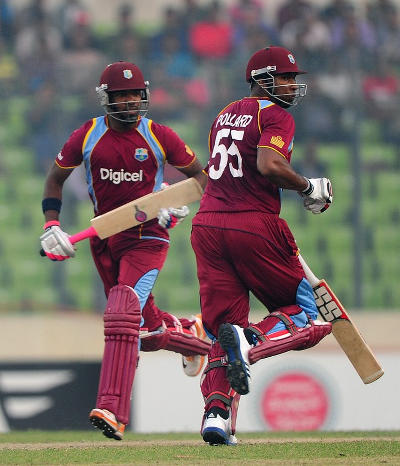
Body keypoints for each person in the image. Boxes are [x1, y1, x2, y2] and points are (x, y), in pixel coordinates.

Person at [39, 61, 210, 440]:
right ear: (107, 99)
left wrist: (177, 204)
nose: (131, 101)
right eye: (122, 95)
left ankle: (112, 409)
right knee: (146, 333)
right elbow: (55, 178)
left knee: (122, 308)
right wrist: (52, 225)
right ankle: (193, 335)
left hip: (148, 237)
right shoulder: (87, 136)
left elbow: (201, 178)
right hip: (106, 238)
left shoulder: (158, 135)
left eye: (136, 94)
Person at [190, 46, 333, 446]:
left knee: (222, 330)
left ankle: (216, 416)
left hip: (207, 227)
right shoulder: (275, 114)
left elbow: (216, 169)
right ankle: (251, 340)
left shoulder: (225, 112)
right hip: (253, 225)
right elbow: (268, 165)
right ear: (263, 79)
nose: (291, 85)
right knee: (309, 315)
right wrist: (309, 186)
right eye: (284, 78)